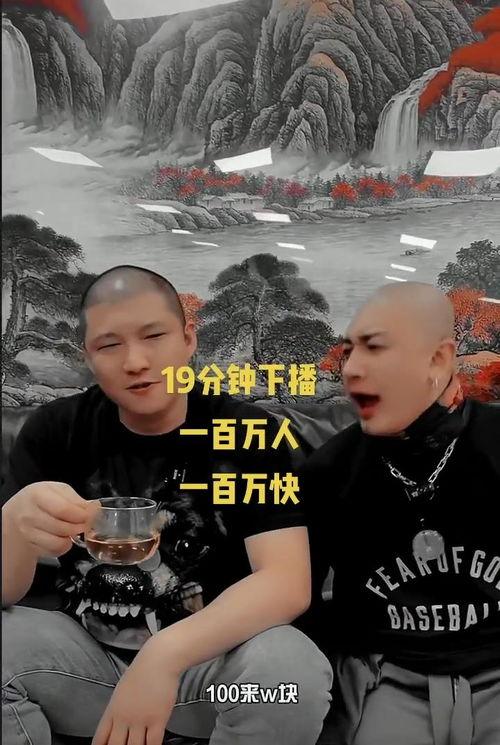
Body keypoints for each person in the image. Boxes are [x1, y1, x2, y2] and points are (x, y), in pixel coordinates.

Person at [2, 265, 333, 745]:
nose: (135, 361)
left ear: (187, 339)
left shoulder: (248, 432)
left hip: (212, 673)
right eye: (109, 345)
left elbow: (286, 583)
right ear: (88, 356)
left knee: (290, 678)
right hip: (87, 669)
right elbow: (7, 592)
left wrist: (165, 656)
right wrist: (12, 523)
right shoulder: (54, 431)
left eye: (154, 336)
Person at [300, 282, 500, 745]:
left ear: (439, 359)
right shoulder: (328, 469)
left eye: (376, 348)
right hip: (385, 679)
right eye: (348, 352)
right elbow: (297, 601)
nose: (352, 369)